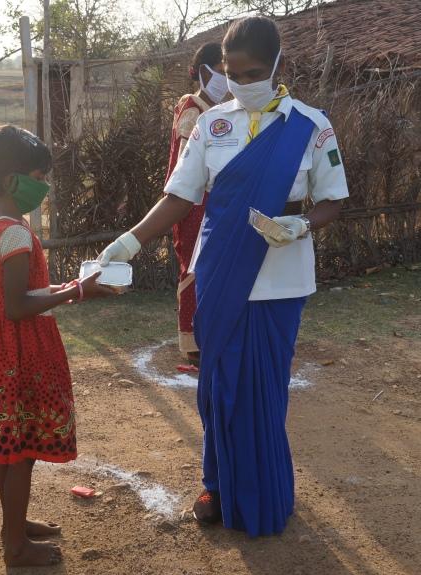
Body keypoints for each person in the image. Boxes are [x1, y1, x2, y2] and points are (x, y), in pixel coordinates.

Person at [99, 16, 348, 536]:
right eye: (231, 73)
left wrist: (301, 224)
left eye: (252, 72)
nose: (241, 82)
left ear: (278, 66)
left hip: (281, 278)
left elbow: (332, 200)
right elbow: (179, 196)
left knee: (265, 392)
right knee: (217, 388)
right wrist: (127, 242)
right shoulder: (212, 125)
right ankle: (217, 485)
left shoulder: (311, 125)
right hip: (217, 273)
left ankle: (264, 492)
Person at [0, 125, 114, 566]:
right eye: (40, 177)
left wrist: (65, 285)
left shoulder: (2, 227)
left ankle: (15, 523)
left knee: (6, 443)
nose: (44, 186)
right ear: (12, 181)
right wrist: (78, 292)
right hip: (19, 351)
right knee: (21, 451)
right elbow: (18, 306)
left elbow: (16, 296)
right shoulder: (17, 235)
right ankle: (15, 547)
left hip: (0, 346)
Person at [167, 42, 225, 369]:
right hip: (192, 202)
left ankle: (205, 333)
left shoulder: (209, 109)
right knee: (193, 269)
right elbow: (188, 162)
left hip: (207, 201)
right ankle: (191, 341)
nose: (225, 78)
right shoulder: (193, 107)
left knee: (207, 268)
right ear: (204, 71)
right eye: (220, 69)